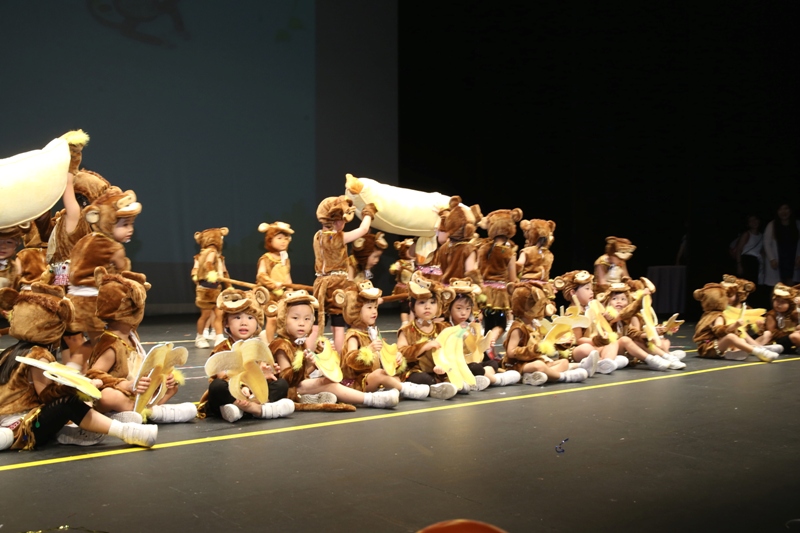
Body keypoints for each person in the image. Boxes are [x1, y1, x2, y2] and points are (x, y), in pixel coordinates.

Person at [0, 282, 156, 451]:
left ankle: (82, 428)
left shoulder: (10, 352)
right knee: (69, 402)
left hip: (11, 420)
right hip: (24, 428)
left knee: (76, 402)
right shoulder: (38, 355)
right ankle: (125, 431)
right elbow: (47, 396)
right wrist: (79, 388)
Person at [86, 268, 197, 423]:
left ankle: (142, 411)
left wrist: (163, 377)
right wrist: (125, 385)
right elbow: (93, 376)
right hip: (120, 393)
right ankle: (149, 413)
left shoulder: (132, 336)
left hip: (136, 393)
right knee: (108, 396)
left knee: (172, 386)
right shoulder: (111, 344)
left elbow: (140, 368)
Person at [268, 289, 400, 409]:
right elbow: (286, 380)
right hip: (289, 390)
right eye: (295, 318)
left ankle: (315, 396)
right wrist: (307, 364)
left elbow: (304, 373)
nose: (302, 323)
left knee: (329, 380)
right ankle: (371, 399)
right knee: (329, 384)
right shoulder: (281, 345)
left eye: (307, 319)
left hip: (300, 385)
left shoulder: (298, 343)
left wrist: (319, 357)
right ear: (283, 319)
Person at [198, 286, 295, 422]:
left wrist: (267, 374)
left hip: (253, 393)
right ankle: (258, 410)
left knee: (281, 384)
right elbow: (223, 375)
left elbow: (266, 375)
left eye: (250, 318)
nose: (244, 323)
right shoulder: (223, 348)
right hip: (232, 391)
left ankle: (246, 408)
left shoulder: (259, 348)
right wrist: (243, 386)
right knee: (217, 386)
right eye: (237, 317)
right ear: (226, 323)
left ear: (257, 324)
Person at [312, 196, 376, 354]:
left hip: (320, 282)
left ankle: (309, 353)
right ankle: (341, 356)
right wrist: (368, 213)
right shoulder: (338, 238)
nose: (344, 223)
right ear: (335, 220)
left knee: (317, 322)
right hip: (337, 283)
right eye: (342, 219)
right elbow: (363, 230)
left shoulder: (317, 236)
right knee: (338, 323)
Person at [502, 281, 593, 386]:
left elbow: (545, 343)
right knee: (539, 366)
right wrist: (536, 349)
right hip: (517, 364)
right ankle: (563, 377)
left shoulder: (535, 324)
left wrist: (560, 343)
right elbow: (511, 352)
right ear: (526, 306)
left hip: (535, 360)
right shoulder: (518, 327)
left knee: (563, 362)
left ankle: (537, 376)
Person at [444, 278, 520, 388]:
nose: (463, 313)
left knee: (492, 363)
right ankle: (496, 380)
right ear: (449, 308)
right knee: (474, 367)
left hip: (475, 360)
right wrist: (459, 338)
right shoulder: (446, 326)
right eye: (459, 308)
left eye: (467, 309)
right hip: (459, 363)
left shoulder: (472, 326)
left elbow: (478, 347)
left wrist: (486, 342)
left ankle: (482, 378)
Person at [395, 272, 460, 399]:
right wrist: (423, 346)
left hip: (439, 371)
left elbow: (451, 351)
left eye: (432, 302)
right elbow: (401, 352)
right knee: (422, 378)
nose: (427, 306)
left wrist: (444, 366)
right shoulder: (407, 330)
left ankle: (444, 385)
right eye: (422, 302)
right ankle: (436, 387)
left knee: (467, 369)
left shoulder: (443, 327)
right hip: (416, 371)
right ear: (412, 306)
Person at [692, 283, 778, 362]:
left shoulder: (707, 315)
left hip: (704, 347)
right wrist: (735, 325)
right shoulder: (717, 316)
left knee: (739, 338)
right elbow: (719, 331)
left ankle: (737, 351)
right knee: (731, 337)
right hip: (708, 348)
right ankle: (759, 352)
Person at [256, 221, 295, 343]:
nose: (283, 241)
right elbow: (261, 275)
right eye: (279, 238)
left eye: (285, 239)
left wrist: (290, 292)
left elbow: (287, 277)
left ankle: (277, 339)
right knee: (272, 318)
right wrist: (273, 284)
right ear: (270, 240)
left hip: (281, 295)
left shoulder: (285, 258)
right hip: (268, 295)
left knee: (283, 318)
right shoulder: (266, 258)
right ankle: (270, 343)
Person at [191, 227, 230, 348]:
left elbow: (224, 272)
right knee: (205, 315)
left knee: (219, 314)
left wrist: (229, 286)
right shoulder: (210, 252)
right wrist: (211, 273)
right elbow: (208, 263)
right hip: (206, 289)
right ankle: (200, 337)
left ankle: (219, 337)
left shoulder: (219, 256)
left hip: (216, 288)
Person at [763, 203, 800, 286]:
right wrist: (772, 259)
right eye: (780, 209)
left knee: (791, 288)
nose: (783, 212)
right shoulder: (772, 225)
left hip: (792, 260)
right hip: (778, 260)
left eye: (786, 208)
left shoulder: (797, 224)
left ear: (790, 210)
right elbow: (766, 243)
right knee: (777, 287)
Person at [760, 283, 800, 354]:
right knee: (795, 336)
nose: (778, 304)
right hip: (779, 340)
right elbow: (772, 333)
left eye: (782, 302)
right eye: (777, 300)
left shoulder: (793, 314)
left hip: (790, 338)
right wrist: (791, 333)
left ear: (790, 304)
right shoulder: (772, 314)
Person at [389, 238, 416, 326]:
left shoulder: (417, 262)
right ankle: (405, 323)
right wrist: (395, 269)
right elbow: (392, 269)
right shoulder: (400, 262)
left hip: (415, 288)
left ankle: (412, 323)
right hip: (404, 288)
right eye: (409, 250)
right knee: (405, 307)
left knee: (414, 306)